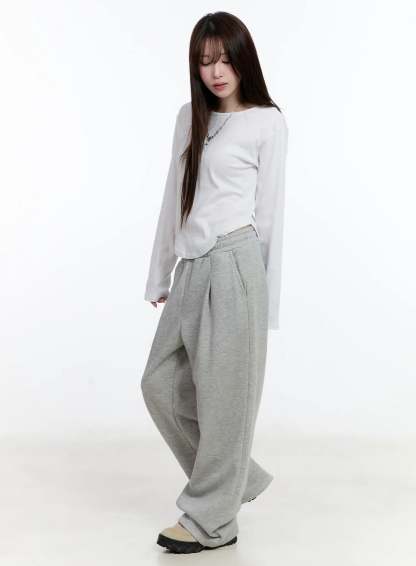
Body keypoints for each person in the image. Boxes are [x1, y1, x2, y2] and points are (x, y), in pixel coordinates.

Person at [140, 10, 288, 554]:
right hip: (191, 267)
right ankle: (235, 479)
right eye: (205, 62)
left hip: (235, 265)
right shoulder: (189, 117)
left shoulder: (267, 122)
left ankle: (212, 522)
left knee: (225, 403)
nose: (216, 72)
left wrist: (265, 303)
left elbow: (270, 216)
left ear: (243, 60)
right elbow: (173, 198)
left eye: (225, 59)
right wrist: (160, 272)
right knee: (160, 386)